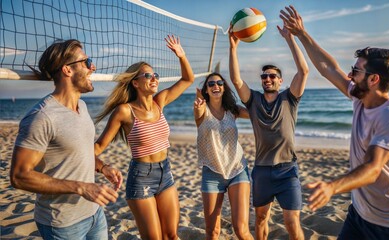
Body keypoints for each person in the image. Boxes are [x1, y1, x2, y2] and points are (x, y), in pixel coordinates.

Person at [281, 5, 389, 239]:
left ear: (374, 79)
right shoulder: (359, 98)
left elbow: (373, 169)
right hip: (359, 215)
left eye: (355, 71)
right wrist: (302, 34)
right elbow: (329, 68)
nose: (350, 75)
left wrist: (332, 187)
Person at [10, 39, 123, 240]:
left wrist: (102, 167)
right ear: (67, 70)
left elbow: (80, 151)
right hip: (62, 224)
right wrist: (81, 187)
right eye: (87, 62)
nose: (93, 67)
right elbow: (19, 176)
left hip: (94, 213)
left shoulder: (83, 107)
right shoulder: (42, 116)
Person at [94, 35, 194, 239]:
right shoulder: (124, 111)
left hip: (165, 172)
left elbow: (187, 79)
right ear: (135, 83)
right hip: (141, 177)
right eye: (148, 76)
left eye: (155, 75)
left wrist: (181, 56)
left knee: (172, 235)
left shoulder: (160, 101)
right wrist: (101, 167)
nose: (154, 78)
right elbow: (98, 147)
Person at [228, 7, 309, 240]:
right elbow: (236, 80)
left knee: (292, 221)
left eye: (273, 76)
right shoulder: (253, 101)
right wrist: (233, 49)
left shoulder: (289, 99)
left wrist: (290, 39)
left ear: (280, 80)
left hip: (288, 170)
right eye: (265, 76)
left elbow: (303, 71)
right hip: (262, 170)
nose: (268, 79)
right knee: (261, 219)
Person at [193, 73, 253, 240]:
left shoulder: (232, 110)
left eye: (219, 83)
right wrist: (199, 105)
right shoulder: (201, 110)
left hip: (237, 169)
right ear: (206, 89)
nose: (215, 86)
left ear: (224, 87)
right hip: (212, 173)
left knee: (241, 230)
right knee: (212, 232)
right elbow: (198, 113)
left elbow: (256, 114)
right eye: (211, 84)